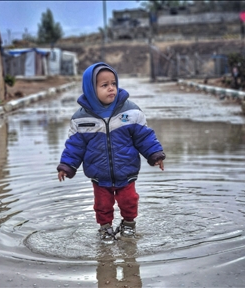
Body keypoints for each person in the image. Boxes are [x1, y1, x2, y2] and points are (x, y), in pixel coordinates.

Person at [57, 62, 165, 243]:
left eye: (113, 83)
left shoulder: (130, 111)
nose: (111, 89)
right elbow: (74, 146)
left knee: (129, 201)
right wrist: (67, 166)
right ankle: (105, 228)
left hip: (126, 170)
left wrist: (155, 154)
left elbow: (144, 136)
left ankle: (129, 224)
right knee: (102, 205)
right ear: (91, 89)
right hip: (99, 174)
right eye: (104, 85)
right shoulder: (81, 118)